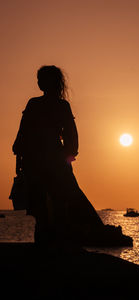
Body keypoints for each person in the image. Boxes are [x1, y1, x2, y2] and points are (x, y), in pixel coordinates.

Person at [12, 65, 104, 248]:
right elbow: (70, 137)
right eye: (38, 79)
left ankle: (51, 244)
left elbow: (24, 135)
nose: (38, 82)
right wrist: (66, 158)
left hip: (44, 161)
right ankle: (53, 245)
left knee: (52, 205)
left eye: (41, 79)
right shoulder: (51, 105)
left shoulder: (40, 105)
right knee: (49, 204)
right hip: (45, 161)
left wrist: (65, 159)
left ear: (50, 82)